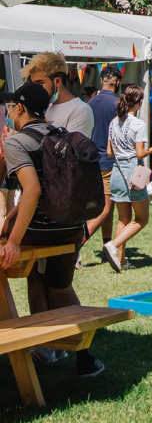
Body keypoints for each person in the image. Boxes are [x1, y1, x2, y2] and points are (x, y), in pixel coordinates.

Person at [0, 82, 104, 377]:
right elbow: (46, 187)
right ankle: (79, 356)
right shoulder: (57, 132)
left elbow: (32, 190)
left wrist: (13, 241)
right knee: (58, 285)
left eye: (11, 106)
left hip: (39, 231)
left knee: (38, 281)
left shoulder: (16, 142)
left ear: (20, 108)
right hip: (70, 225)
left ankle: (48, 348)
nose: (8, 111)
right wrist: (13, 215)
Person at [103, 86, 152, 272]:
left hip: (117, 170)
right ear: (140, 102)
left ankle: (121, 261)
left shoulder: (114, 122)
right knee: (142, 219)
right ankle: (113, 245)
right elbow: (140, 153)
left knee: (123, 219)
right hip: (132, 171)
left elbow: (109, 152)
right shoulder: (138, 124)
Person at [83, 65, 121, 262]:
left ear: (101, 81)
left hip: (91, 162)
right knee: (105, 209)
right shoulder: (117, 104)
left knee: (107, 206)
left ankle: (107, 244)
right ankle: (76, 245)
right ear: (118, 83)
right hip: (108, 162)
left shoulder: (89, 103)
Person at [31, 52, 94, 139]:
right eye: (33, 84)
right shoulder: (45, 108)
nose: (35, 89)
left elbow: (70, 145)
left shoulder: (81, 109)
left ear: (57, 81)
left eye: (40, 83)